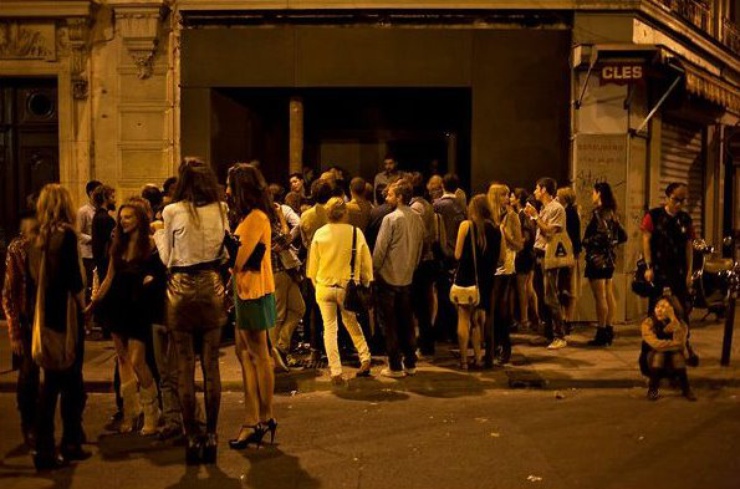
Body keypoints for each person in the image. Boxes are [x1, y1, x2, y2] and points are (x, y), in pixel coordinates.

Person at [153, 157, 227, 464]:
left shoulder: (171, 211)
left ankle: (191, 436)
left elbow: (168, 257)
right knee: (211, 364)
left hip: (180, 286)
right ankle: (211, 433)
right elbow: (223, 252)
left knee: (184, 365)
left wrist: (157, 233)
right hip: (211, 285)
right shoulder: (221, 209)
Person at [87, 199, 163, 436]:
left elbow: (159, 273)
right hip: (116, 306)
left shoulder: (150, 244)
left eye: (128, 217)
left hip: (138, 307)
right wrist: (93, 303)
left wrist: (150, 280)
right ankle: (131, 411)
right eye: (121, 217)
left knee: (138, 360)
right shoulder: (117, 244)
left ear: (140, 218)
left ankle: (152, 412)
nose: (123, 221)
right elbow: (109, 277)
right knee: (122, 360)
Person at [27, 184, 89, 470]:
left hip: (43, 314)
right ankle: (70, 441)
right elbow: (72, 278)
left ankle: (44, 446)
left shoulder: (36, 236)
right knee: (72, 382)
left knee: (49, 385)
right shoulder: (65, 235)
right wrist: (84, 306)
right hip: (65, 314)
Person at [226, 163, 279, 450]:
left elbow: (238, 259)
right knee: (247, 353)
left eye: (229, 185)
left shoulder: (256, 217)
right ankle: (254, 418)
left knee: (258, 355)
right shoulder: (253, 215)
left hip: (253, 292)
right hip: (249, 290)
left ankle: (262, 417)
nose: (226, 191)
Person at [307, 197, 373, 384]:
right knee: (351, 322)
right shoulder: (355, 232)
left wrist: (317, 284)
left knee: (329, 329)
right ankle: (365, 357)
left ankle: (335, 370)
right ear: (345, 212)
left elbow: (313, 267)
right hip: (347, 286)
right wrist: (366, 282)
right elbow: (365, 262)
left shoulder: (320, 234)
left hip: (323, 285)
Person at [373, 181, 425, 378]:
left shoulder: (391, 219)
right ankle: (410, 362)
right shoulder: (417, 218)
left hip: (388, 277)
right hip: (407, 277)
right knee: (407, 321)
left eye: (390, 195)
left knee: (390, 324)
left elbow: (380, 250)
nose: (387, 198)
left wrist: (373, 271)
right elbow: (421, 246)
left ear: (400, 197)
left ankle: (395, 366)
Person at [2, 208, 39, 450]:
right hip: (27, 320)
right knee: (28, 374)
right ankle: (30, 425)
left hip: (46, 319)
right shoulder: (17, 250)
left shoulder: (49, 246)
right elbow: (9, 294)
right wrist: (14, 331)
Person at [453, 195, 501, 369]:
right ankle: (479, 358)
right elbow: (501, 258)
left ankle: (464, 360)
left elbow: (457, 254)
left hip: (466, 278)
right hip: (486, 280)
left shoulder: (466, 226)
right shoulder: (496, 229)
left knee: (464, 318)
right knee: (478, 320)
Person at [524, 177, 568, 349]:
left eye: (536, 188)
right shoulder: (545, 208)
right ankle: (547, 333)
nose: (534, 191)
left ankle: (560, 336)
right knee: (542, 295)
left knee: (551, 296)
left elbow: (550, 231)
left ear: (543, 190)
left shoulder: (557, 208)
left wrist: (535, 217)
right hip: (539, 253)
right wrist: (534, 216)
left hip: (549, 255)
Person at [641, 182, 694, 319]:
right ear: (667, 197)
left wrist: (689, 272)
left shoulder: (685, 220)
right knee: (657, 307)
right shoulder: (653, 216)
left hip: (678, 270)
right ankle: (653, 338)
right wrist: (648, 266)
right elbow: (646, 241)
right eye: (675, 199)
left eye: (682, 201)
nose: (679, 204)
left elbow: (689, 246)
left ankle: (681, 338)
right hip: (658, 269)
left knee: (680, 307)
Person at [583, 182, 626, 346]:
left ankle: (601, 332)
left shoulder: (598, 214)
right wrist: (612, 244)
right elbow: (623, 236)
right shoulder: (612, 213)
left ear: (599, 193)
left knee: (600, 297)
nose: (591, 196)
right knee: (608, 294)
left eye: (593, 192)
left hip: (597, 260)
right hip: (609, 260)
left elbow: (602, 235)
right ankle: (609, 328)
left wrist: (587, 241)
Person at [300, 179, 333, 364]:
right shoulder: (335, 213)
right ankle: (333, 349)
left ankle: (315, 350)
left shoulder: (306, 216)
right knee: (332, 310)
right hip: (332, 264)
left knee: (314, 309)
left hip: (314, 266)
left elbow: (305, 243)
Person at [488, 183, 522, 366]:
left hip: (505, 267)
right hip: (490, 267)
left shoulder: (512, 217)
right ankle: (492, 347)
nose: (508, 198)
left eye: (508, 194)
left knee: (501, 310)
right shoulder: (489, 216)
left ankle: (504, 346)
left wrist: (505, 235)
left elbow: (519, 245)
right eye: (504, 195)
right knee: (490, 310)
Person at [640, 295, 697, 401]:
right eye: (657, 307)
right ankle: (653, 389)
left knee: (677, 356)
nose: (659, 310)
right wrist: (673, 344)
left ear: (672, 309)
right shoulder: (648, 323)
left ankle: (686, 388)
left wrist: (673, 319)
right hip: (651, 363)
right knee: (659, 354)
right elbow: (655, 344)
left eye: (663, 307)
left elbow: (680, 343)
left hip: (674, 363)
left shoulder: (681, 324)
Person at [433, 173, 467, 344]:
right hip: (458, 254)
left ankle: (443, 330)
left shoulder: (437, 205)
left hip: (442, 254)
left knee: (442, 293)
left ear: (442, 187)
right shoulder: (462, 205)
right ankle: (454, 329)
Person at [409, 172, 438, 358]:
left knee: (419, 306)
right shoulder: (427, 205)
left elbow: (417, 236)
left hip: (420, 261)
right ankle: (426, 344)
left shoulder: (417, 206)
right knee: (423, 306)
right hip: (427, 259)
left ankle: (423, 345)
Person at [511, 188, 540, 331]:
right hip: (530, 255)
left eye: (511, 196)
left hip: (523, 256)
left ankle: (524, 319)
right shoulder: (524, 214)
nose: (510, 198)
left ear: (517, 199)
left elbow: (526, 236)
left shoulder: (522, 215)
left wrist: (515, 244)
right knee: (529, 287)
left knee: (522, 288)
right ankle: (535, 318)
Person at [77, 180, 102, 324]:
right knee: (90, 287)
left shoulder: (101, 210)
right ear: (91, 193)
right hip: (88, 253)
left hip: (99, 253)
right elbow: (78, 233)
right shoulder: (83, 211)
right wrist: (94, 239)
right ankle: (88, 320)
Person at [556, 187, 582, 329]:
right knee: (569, 288)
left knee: (568, 288)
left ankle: (567, 320)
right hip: (571, 253)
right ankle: (567, 319)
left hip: (568, 254)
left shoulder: (568, 213)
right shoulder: (573, 212)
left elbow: (569, 236)